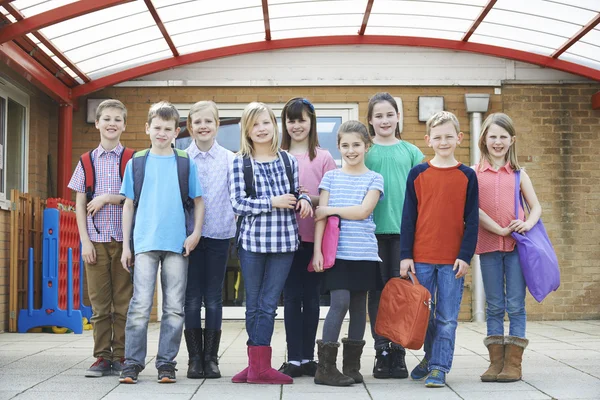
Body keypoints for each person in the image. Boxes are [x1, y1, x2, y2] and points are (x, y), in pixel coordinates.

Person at [118, 101, 204, 384]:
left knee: (174, 308)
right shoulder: (137, 162)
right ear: (147, 129)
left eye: (168, 129)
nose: (162, 133)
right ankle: (132, 362)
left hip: (177, 244)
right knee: (140, 305)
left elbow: (199, 202)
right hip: (144, 243)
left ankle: (166, 363)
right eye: (157, 127)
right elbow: (129, 205)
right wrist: (126, 246)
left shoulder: (184, 162)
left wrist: (195, 234)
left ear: (176, 131)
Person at [230, 102, 313, 385]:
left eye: (265, 122)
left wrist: (302, 199)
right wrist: (272, 202)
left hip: (284, 242)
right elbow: (238, 203)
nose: (261, 129)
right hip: (252, 243)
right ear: (247, 130)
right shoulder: (239, 162)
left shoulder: (288, 160)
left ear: (273, 126)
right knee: (253, 303)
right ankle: (257, 365)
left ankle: (258, 366)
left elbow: (296, 190)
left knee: (268, 304)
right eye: (255, 125)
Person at [400, 111, 478, 388]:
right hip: (421, 258)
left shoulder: (467, 175)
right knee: (424, 317)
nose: (443, 141)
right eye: (437, 137)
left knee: (446, 317)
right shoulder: (418, 173)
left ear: (459, 138)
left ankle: (438, 367)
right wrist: (405, 255)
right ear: (428, 140)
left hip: (452, 261)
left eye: (448, 136)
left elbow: (472, 221)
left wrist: (465, 256)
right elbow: (408, 217)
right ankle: (431, 357)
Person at [312, 121, 384, 387]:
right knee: (339, 303)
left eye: (356, 145)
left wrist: (330, 210)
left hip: (364, 252)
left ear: (366, 146)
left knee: (358, 310)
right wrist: (317, 250)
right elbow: (319, 218)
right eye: (345, 145)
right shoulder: (330, 176)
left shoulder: (374, 178)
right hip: (337, 254)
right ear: (338, 147)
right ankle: (325, 368)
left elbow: (364, 211)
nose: (351, 150)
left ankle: (351, 367)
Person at [68, 99, 133, 377]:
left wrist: (108, 197)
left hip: (123, 242)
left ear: (124, 125)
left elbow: (136, 197)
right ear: (97, 123)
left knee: (123, 303)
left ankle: (121, 356)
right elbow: (79, 204)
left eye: (117, 119)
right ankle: (101, 357)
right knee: (99, 305)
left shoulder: (131, 159)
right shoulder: (85, 161)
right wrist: (84, 241)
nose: (111, 124)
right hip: (95, 242)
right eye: (106, 119)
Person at [475, 113, 539, 383]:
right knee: (493, 305)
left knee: (515, 304)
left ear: (512, 140)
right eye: (493, 137)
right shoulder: (474, 173)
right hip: (488, 245)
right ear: (484, 139)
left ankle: (513, 365)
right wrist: (497, 229)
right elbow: (473, 209)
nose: (498, 142)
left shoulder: (518, 174)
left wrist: (527, 224)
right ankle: (495, 363)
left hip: (516, 248)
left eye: (503, 137)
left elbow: (536, 207)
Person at [364, 92, 424, 379]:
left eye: (389, 114)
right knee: (377, 293)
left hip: (403, 234)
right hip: (370, 234)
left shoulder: (411, 152)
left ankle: (398, 351)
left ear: (398, 117)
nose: (385, 120)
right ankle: (381, 351)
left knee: (400, 294)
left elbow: (423, 193)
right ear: (370, 121)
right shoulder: (365, 151)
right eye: (378, 115)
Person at [278, 97, 337, 378]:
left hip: (315, 239)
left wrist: (306, 198)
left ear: (311, 122)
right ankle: (295, 357)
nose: (296, 125)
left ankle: (310, 357)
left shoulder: (323, 157)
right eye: (291, 120)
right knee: (290, 298)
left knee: (312, 298)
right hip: (285, 240)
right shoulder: (278, 155)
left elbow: (329, 199)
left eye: (301, 119)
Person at [183, 101, 236, 379]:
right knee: (191, 298)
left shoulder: (230, 158)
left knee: (213, 297)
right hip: (188, 237)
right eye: (197, 122)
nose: (203, 126)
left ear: (217, 126)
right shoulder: (181, 157)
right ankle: (194, 358)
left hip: (219, 235)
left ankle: (211, 358)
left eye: (209, 121)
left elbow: (236, 197)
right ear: (190, 126)